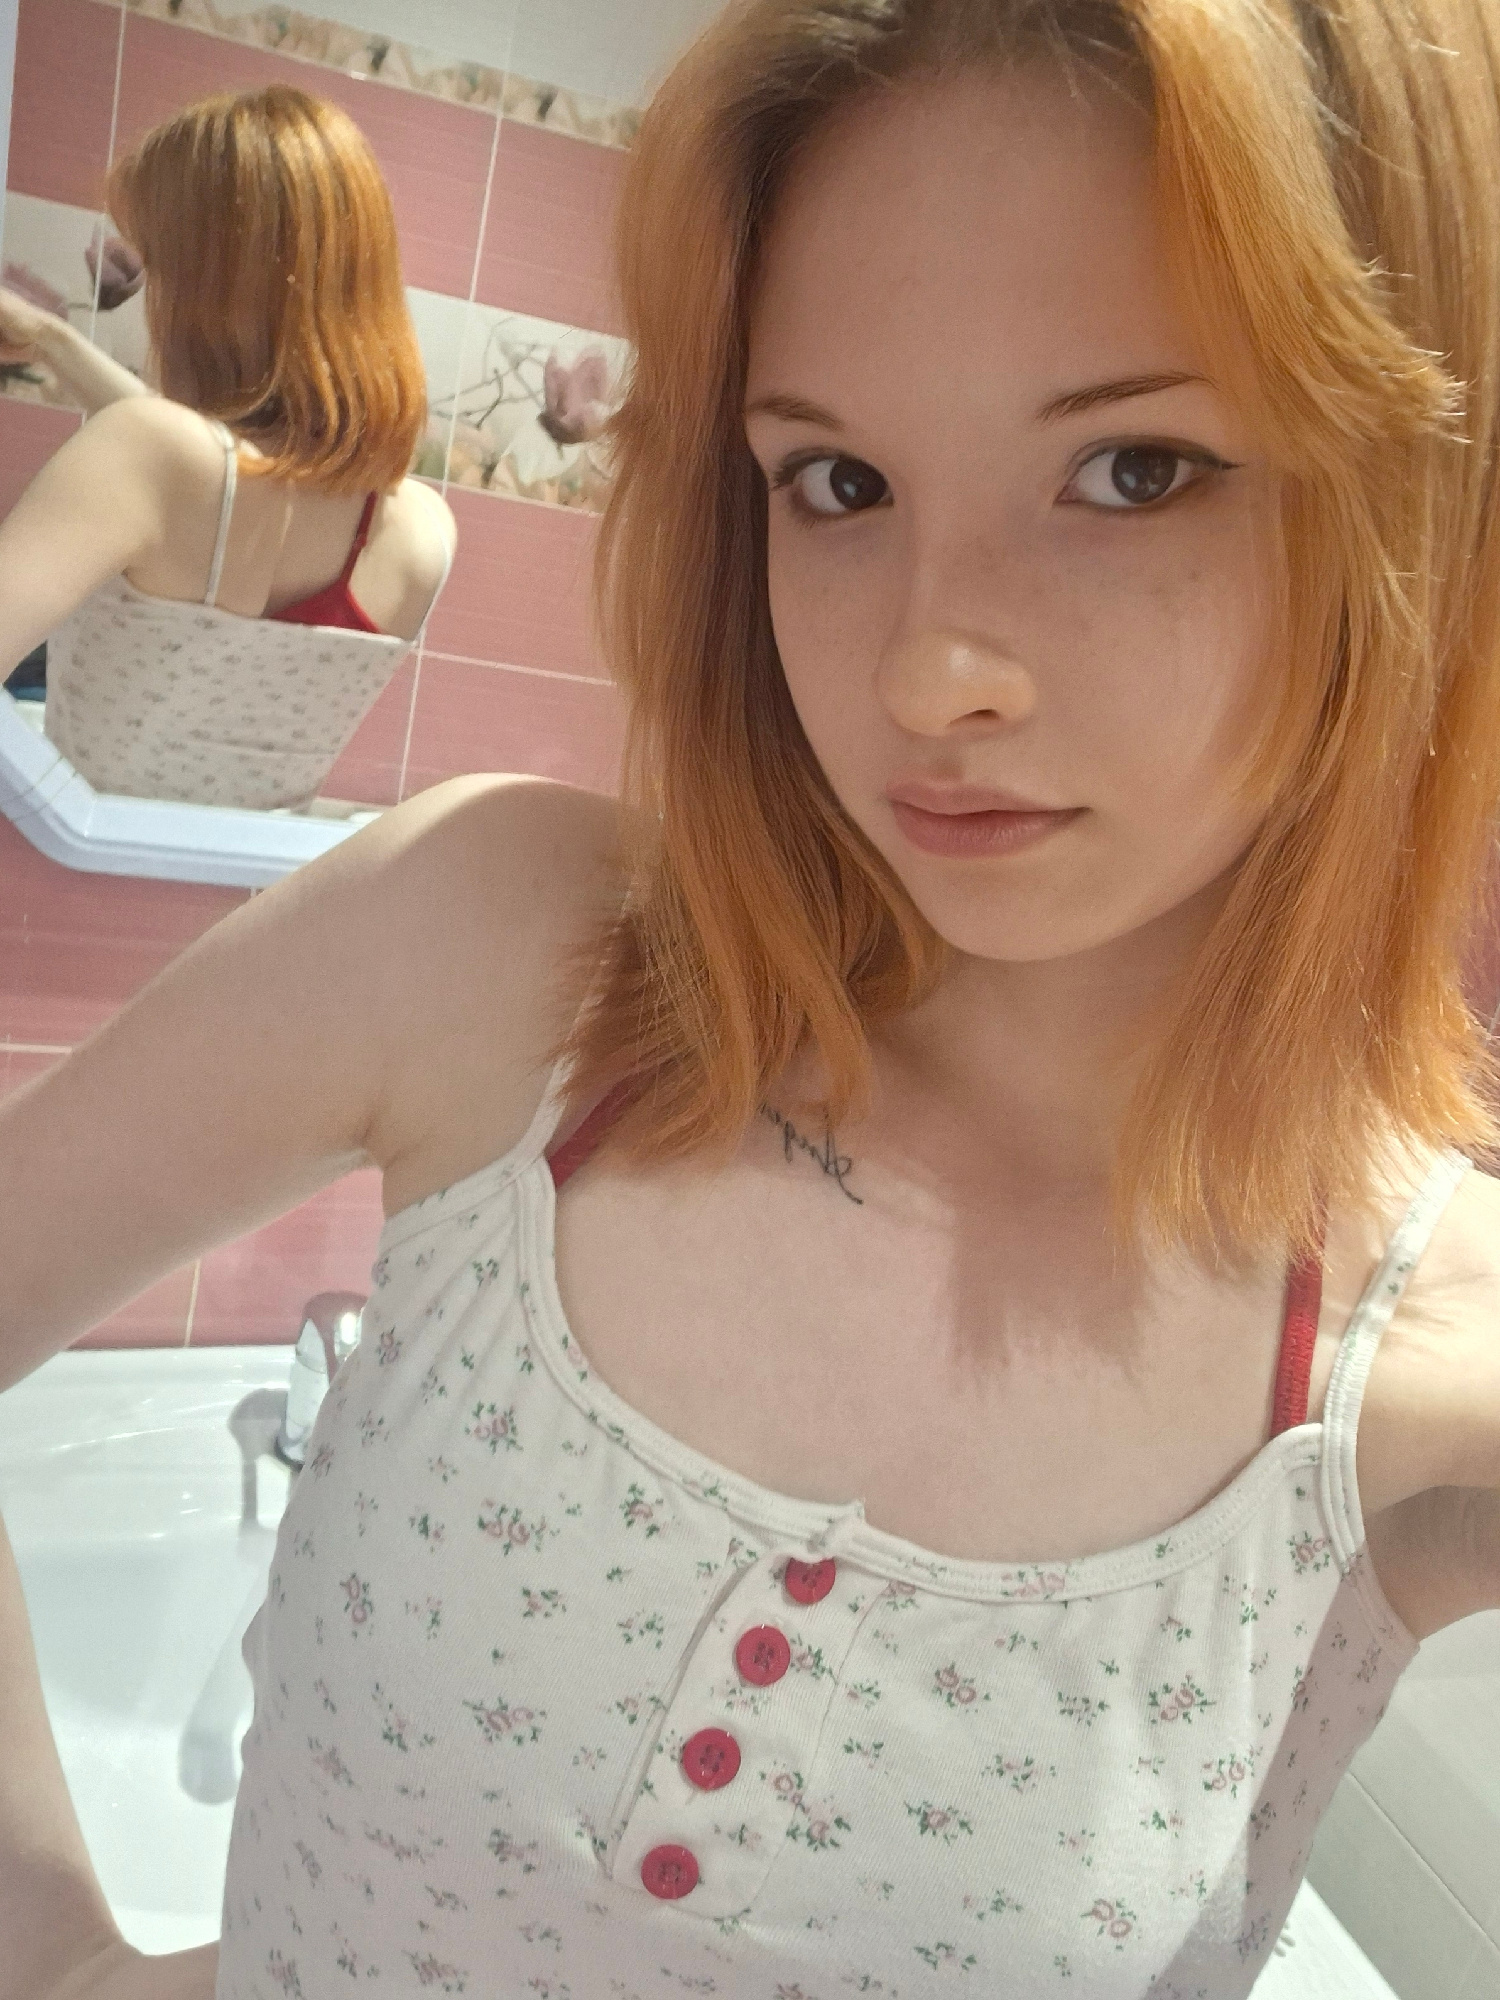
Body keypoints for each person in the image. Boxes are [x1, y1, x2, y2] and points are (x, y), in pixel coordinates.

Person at [3, 0, 1500, 1993]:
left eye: (1135, 470)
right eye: (839, 482)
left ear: (1427, 500)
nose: (929, 672)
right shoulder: (496, 951)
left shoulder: (1423, 1377)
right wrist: (57, 1946)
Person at [0, 86, 456, 812]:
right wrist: (53, 341)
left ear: (210, 287)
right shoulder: (422, 534)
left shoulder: (145, 459)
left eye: (159, 268)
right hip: (252, 881)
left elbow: (180, 465)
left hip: (57, 872)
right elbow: (211, 472)